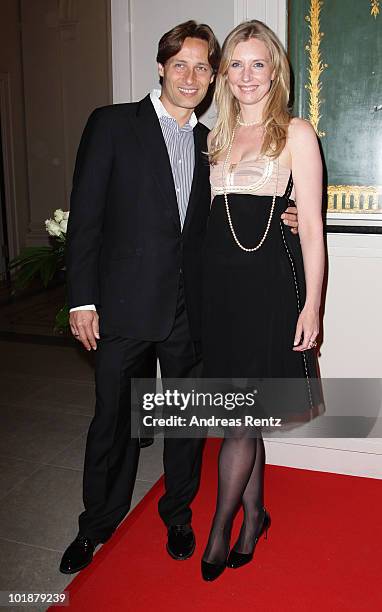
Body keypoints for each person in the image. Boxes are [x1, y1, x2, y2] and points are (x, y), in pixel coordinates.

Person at [60, 20, 299, 575]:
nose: (191, 77)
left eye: (202, 67)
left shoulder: (210, 141)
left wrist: (287, 217)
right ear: (162, 67)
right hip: (122, 307)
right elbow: (86, 219)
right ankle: (95, 525)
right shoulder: (113, 124)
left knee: (186, 423)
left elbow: (239, 208)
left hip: (191, 310)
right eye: (181, 65)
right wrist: (81, 300)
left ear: (212, 78)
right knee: (113, 419)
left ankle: (178, 514)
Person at [200, 20, 325, 581]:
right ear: (224, 75)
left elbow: (313, 228)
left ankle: (218, 532)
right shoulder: (215, 137)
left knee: (237, 423)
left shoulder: (296, 133)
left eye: (258, 64)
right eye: (236, 65)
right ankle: (254, 515)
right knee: (241, 411)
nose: (247, 76)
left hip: (271, 291)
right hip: (220, 294)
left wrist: (313, 305)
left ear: (275, 70)